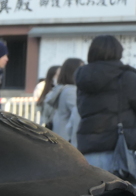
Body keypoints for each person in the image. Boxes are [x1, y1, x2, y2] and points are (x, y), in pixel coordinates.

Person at [74, 35, 136, 173]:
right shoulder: (126, 76)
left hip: (88, 149)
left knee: (93, 193)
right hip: (120, 152)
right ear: (118, 51)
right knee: (124, 193)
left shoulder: (82, 78)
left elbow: (81, 109)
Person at [43, 57, 84, 143]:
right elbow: (78, 115)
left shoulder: (62, 89)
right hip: (67, 139)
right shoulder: (71, 91)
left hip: (59, 134)